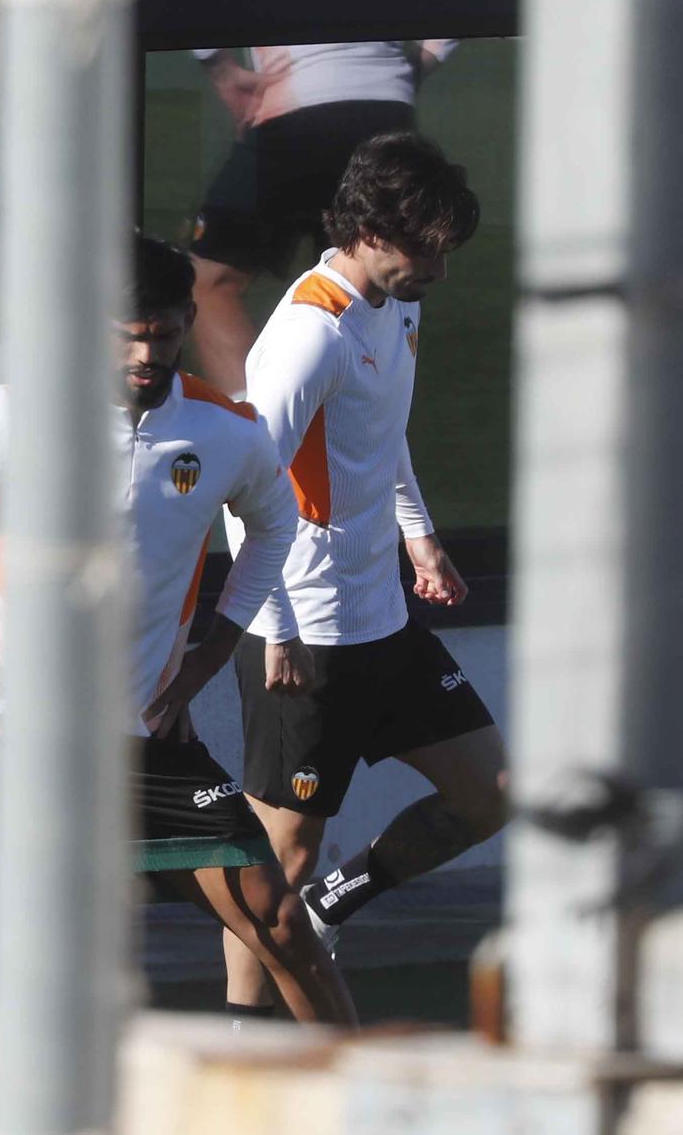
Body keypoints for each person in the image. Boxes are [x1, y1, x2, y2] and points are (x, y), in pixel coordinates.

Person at [0, 235, 355, 1025]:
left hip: (143, 740)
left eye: (161, 331)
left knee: (282, 923)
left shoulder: (227, 432)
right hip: (3, 730)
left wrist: (215, 651)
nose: (146, 351)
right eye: (127, 332)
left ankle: (358, 1105)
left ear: (186, 320)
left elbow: (274, 525)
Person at [221, 131, 508, 1013]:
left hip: (385, 619)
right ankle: (239, 1036)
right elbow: (243, 485)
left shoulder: (398, 304)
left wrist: (417, 535)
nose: (441, 272)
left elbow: (382, 441)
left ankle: (338, 904)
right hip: (303, 639)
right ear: (374, 229)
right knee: (277, 864)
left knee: (491, 797)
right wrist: (274, 628)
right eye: (429, 250)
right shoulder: (309, 334)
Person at [186, 41, 455, 394]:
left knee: (209, 281)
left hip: (294, 106)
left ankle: (257, 433)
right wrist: (411, 68)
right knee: (364, 279)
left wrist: (221, 68)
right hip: (389, 110)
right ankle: (343, 424)